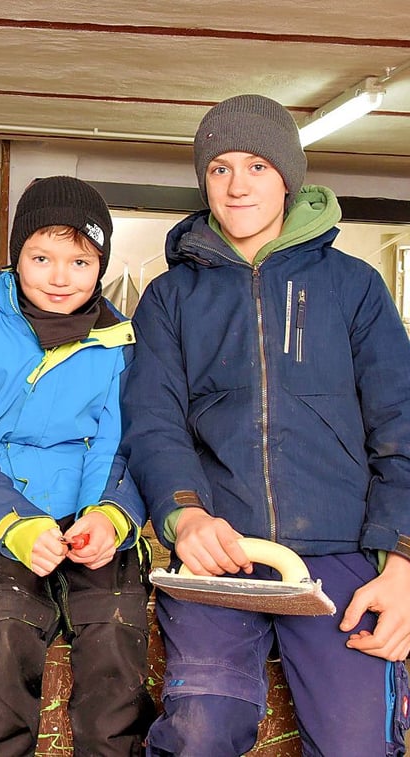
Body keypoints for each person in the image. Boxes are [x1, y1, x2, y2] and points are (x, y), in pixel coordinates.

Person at [122, 94, 410, 756]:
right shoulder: (171, 299)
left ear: (287, 175)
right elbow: (154, 420)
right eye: (219, 168)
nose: (237, 183)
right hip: (218, 554)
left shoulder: (354, 287)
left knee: (356, 746)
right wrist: (185, 516)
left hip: (341, 552)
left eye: (256, 165)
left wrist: (401, 564)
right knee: (201, 729)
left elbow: (403, 426)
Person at [0, 176, 155, 756]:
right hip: (1, 521)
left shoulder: (122, 343)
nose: (60, 277)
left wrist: (108, 515)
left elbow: (122, 443)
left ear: (100, 264)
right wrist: (16, 522)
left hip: (93, 522)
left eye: (79, 261)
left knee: (114, 633)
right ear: (15, 257)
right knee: (0, 633)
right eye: (41, 257)